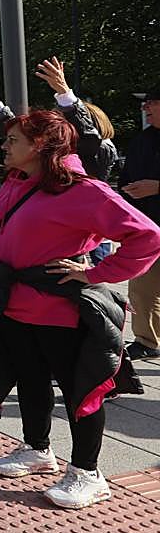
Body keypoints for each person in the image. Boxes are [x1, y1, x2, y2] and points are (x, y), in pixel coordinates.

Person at [0, 110, 160, 509]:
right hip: (13, 304)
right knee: (30, 379)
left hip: (59, 309)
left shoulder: (82, 190)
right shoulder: (18, 180)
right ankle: (37, 449)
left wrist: (96, 273)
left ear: (40, 145)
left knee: (79, 391)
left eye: (13, 140)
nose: (4, 146)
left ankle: (88, 473)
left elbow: (147, 236)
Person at [0, 56, 116, 182]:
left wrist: (65, 94)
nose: (56, 127)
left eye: (63, 121)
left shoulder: (99, 149)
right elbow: (22, 135)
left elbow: (88, 137)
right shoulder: (53, 153)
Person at [120, 89, 160, 360]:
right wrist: (128, 191)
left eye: (152, 103)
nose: (146, 108)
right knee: (142, 287)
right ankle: (146, 340)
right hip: (146, 226)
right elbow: (126, 177)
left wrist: (157, 187)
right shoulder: (142, 140)